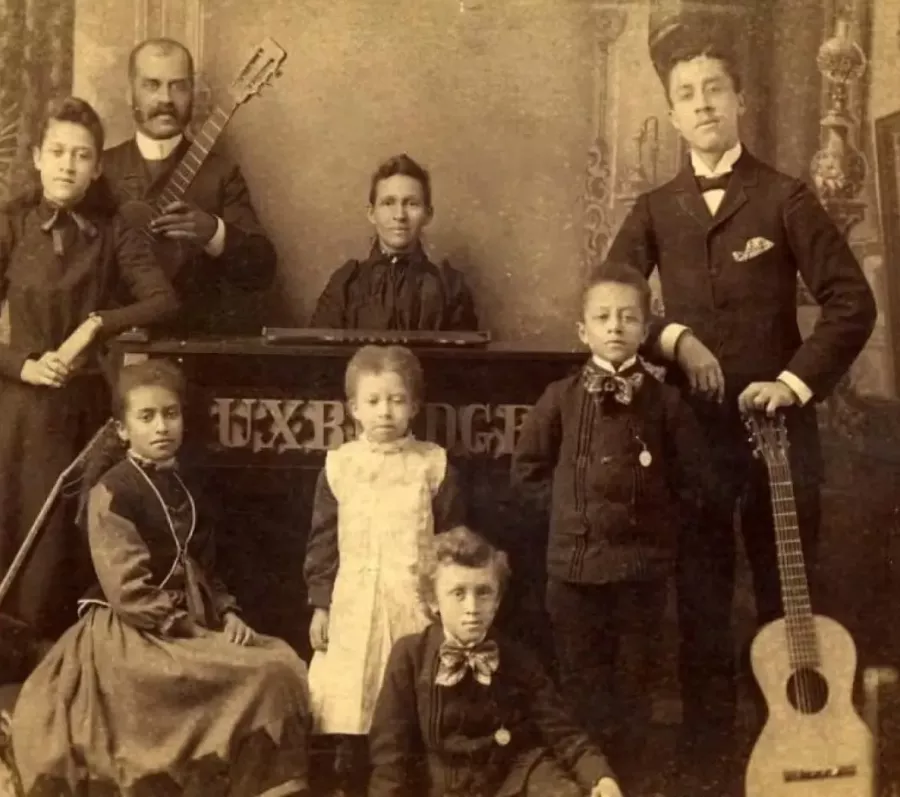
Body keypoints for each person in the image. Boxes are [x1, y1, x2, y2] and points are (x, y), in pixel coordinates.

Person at [605, 19, 878, 789]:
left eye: (713, 90)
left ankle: (793, 762)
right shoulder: (657, 207)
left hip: (782, 442)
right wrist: (674, 338)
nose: (701, 105)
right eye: (685, 94)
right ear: (672, 107)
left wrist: (792, 382)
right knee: (697, 607)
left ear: (741, 100)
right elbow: (610, 303)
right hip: (693, 441)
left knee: (786, 604)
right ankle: (704, 769)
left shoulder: (785, 196)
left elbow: (851, 304)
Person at [12, 359, 312, 797]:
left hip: (189, 618)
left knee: (280, 660)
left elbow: (202, 566)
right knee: (265, 671)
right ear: (122, 429)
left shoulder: (184, 484)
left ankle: (263, 785)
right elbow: (129, 592)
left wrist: (227, 614)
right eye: (146, 416)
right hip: (133, 636)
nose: (161, 427)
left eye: (171, 414)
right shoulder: (112, 491)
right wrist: (188, 629)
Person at [510, 261, 710, 792]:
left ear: (646, 331)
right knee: (580, 687)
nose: (615, 326)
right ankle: (588, 785)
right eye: (603, 317)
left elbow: (696, 486)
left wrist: (657, 531)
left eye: (628, 317)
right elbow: (526, 473)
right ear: (583, 331)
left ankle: (634, 783)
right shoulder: (559, 398)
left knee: (636, 689)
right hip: (573, 575)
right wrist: (567, 519)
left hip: (640, 575)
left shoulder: (666, 404)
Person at [0, 96, 179, 642]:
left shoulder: (116, 228)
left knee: (63, 547)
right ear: (36, 157)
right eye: (57, 152)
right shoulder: (10, 224)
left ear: (98, 166)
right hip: (16, 409)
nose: (67, 165)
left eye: (82, 155)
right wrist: (23, 365)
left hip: (83, 411)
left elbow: (162, 300)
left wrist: (98, 323)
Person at [304, 345, 466, 796]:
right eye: (373, 402)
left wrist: (445, 603)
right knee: (353, 695)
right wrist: (320, 606)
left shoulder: (432, 464)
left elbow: (451, 541)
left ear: (414, 405)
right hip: (353, 600)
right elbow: (322, 544)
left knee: (408, 696)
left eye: (397, 400)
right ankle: (350, 779)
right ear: (354, 408)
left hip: (413, 601)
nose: (385, 412)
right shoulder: (340, 467)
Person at [369, 526, 624, 797]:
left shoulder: (516, 656)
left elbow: (563, 732)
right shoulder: (410, 656)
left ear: (498, 600)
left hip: (514, 781)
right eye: (458, 593)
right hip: (443, 787)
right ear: (433, 601)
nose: (472, 608)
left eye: (483, 593)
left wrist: (600, 777)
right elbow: (390, 756)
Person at [103, 37, 277, 335]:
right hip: (111, 344)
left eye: (178, 85)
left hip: (194, 347)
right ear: (129, 93)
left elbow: (261, 270)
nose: (166, 99)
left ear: (192, 94)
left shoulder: (222, 173)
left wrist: (213, 231)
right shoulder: (101, 169)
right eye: (151, 85)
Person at [309, 154, 479, 331]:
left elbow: (463, 358)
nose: (399, 215)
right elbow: (322, 356)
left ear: (428, 214)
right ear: (371, 213)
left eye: (412, 204)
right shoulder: (345, 284)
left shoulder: (450, 288)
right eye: (388, 203)